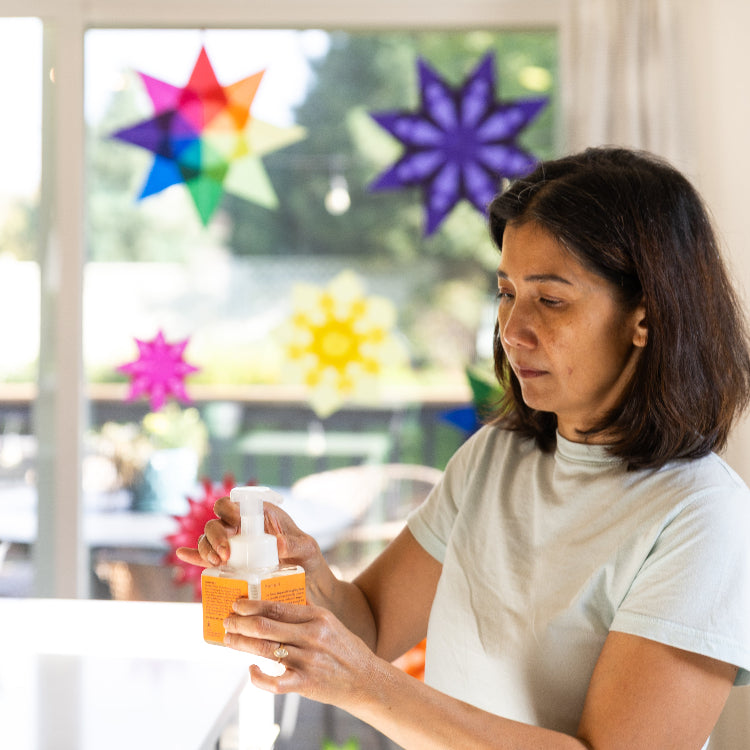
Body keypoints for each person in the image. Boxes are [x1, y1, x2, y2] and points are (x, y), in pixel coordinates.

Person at [178, 147, 750, 749]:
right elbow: (370, 626)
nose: (512, 328)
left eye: (550, 299)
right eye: (506, 293)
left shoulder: (704, 518)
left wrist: (364, 685)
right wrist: (302, 572)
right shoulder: (495, 458)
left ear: (645, 316)